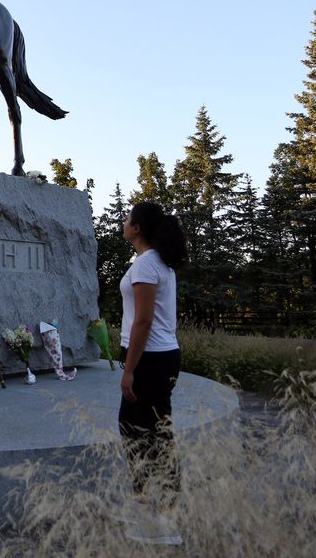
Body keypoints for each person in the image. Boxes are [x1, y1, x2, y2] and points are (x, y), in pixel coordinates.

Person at [117, 201, 187, 545]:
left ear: (138, 228)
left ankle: (159, 523)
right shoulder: (159, 261)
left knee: (140, 437)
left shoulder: (147, 264)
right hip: (161, 357)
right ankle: (152, 510)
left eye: (128, 218)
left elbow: (143, 322)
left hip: (149, 360)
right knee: (155, 435)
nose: (124, 222)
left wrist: (128, 370)